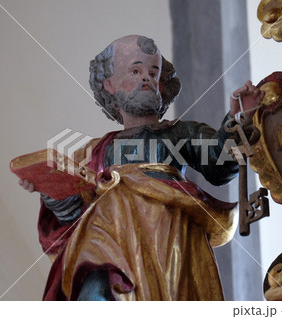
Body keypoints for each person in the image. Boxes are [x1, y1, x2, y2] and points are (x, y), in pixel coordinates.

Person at [18, 35, 264, 300]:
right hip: (105, 247)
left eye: (153, 72)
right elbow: (72, 218)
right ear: (109, 85)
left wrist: (237, 119)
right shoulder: (91, 153)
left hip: (165, 247)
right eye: (135, 71)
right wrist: (52, 189)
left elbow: (219, 165)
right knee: (93, 285)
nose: (146, 78)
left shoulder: (179, 133)